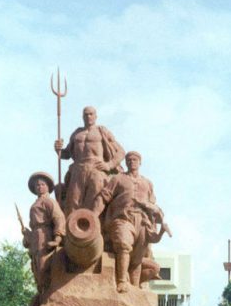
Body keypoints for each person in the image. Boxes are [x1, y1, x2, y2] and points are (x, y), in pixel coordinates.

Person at [92, 151, 165, 293]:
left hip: (142, 221)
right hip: (123, 218)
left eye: (135, 160)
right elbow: (104, 197)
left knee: (137, 257)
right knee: (124, 245)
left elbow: (153, 205)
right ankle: (121, 281)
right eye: (129, 160)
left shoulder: (147, 183)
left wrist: (153, 215)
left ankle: (134, 287)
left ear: (140, 162)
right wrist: (93, 216)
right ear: (126, 163)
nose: (132, 162)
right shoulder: (118, 179)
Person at [54, 106, 125, 215]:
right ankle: (72, 225)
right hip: (78, 169)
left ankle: (92, 224)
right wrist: (58, 150)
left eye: (91, 114)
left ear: (96, 116)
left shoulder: (101, 131)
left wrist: (109, 165)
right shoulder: (77, 133)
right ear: (82, 117)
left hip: (96, 169)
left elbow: (121, 152)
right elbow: (66, 154)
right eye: (86, 114)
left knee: (94, 200)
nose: (88, 116)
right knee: (73, 201)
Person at [22, 172, 65, 305]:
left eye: (42, 184)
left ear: (47, 187)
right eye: (37, 185)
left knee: (43, 267)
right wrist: (27, 235)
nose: (39, 187)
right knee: (35, 267)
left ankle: (47, 298)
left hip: (45, 234)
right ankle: (42, 296)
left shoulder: (49, 201)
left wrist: (57, 238)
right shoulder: (35, 204)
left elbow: (59, 218)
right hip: (35, 236)